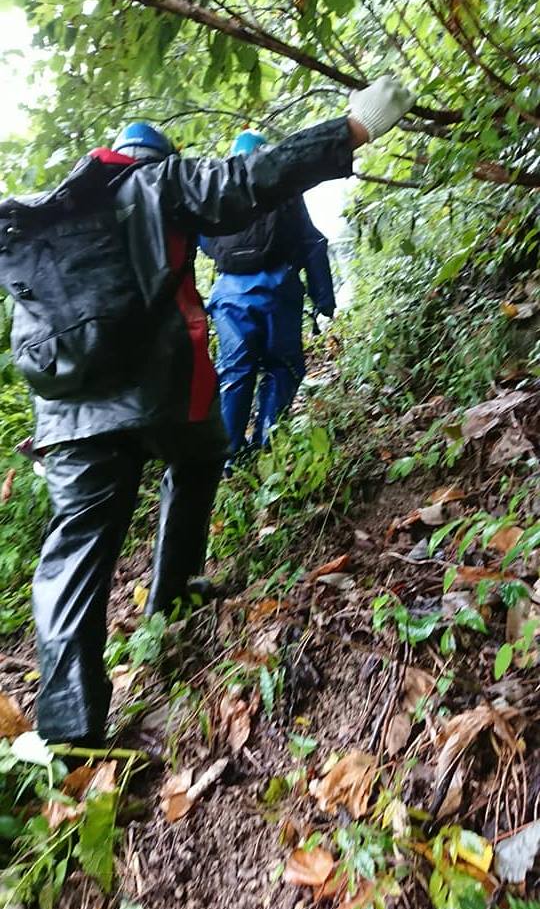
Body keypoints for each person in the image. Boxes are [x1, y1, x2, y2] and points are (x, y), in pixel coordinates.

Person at [3, 76, 415, 745]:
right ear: (159, 156)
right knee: (198, 460)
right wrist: (350, 129)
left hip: (67, 412)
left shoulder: (52, 211)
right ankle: (173, 592)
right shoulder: (161, 183)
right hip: (159, 394)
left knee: (72, 555)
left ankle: (69, 733)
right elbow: (251, 180)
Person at [201, 129, 335, 466]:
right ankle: (268, 446)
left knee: (235, 371)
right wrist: (323, 299)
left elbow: (204, 243)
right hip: (278, 291)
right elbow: (312, 243)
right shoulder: (283, 187)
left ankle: (228, 458)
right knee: (282, 367)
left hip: (230, 295)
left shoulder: (216, 189)